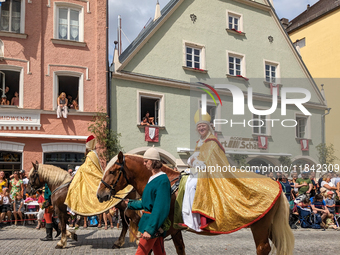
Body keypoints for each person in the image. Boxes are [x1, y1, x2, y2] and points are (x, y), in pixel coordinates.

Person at [177, 110, 281, 233]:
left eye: (203, 126)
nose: (201, 128)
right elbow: (194, 157)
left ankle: (200, 219)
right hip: (199, 171)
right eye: (199, 126)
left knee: (194, 185)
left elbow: (209, 161)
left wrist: (197, 162)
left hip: (213, 173)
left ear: (208, 127)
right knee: (186, 183)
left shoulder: (212, 141)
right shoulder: (199, 142)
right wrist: (193, 161)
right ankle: (188, 218)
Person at [64, 135, 132, 216]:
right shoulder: (92, 154)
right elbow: (89, 167)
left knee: (76, 186)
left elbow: (90, 168)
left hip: (91, 175)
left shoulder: (91, 154)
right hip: (88, 173)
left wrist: (80, 169)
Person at [125, 146, 171, 255]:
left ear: (154, 161)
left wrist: (150, 229)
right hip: (150, 223)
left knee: (140, 253)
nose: (144, 164)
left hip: (152, 225)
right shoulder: (152, 178)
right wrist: (129, 203)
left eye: (146, 161)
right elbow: (146, 202)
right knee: (159, 253)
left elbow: (160, 208)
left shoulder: (162, 181)